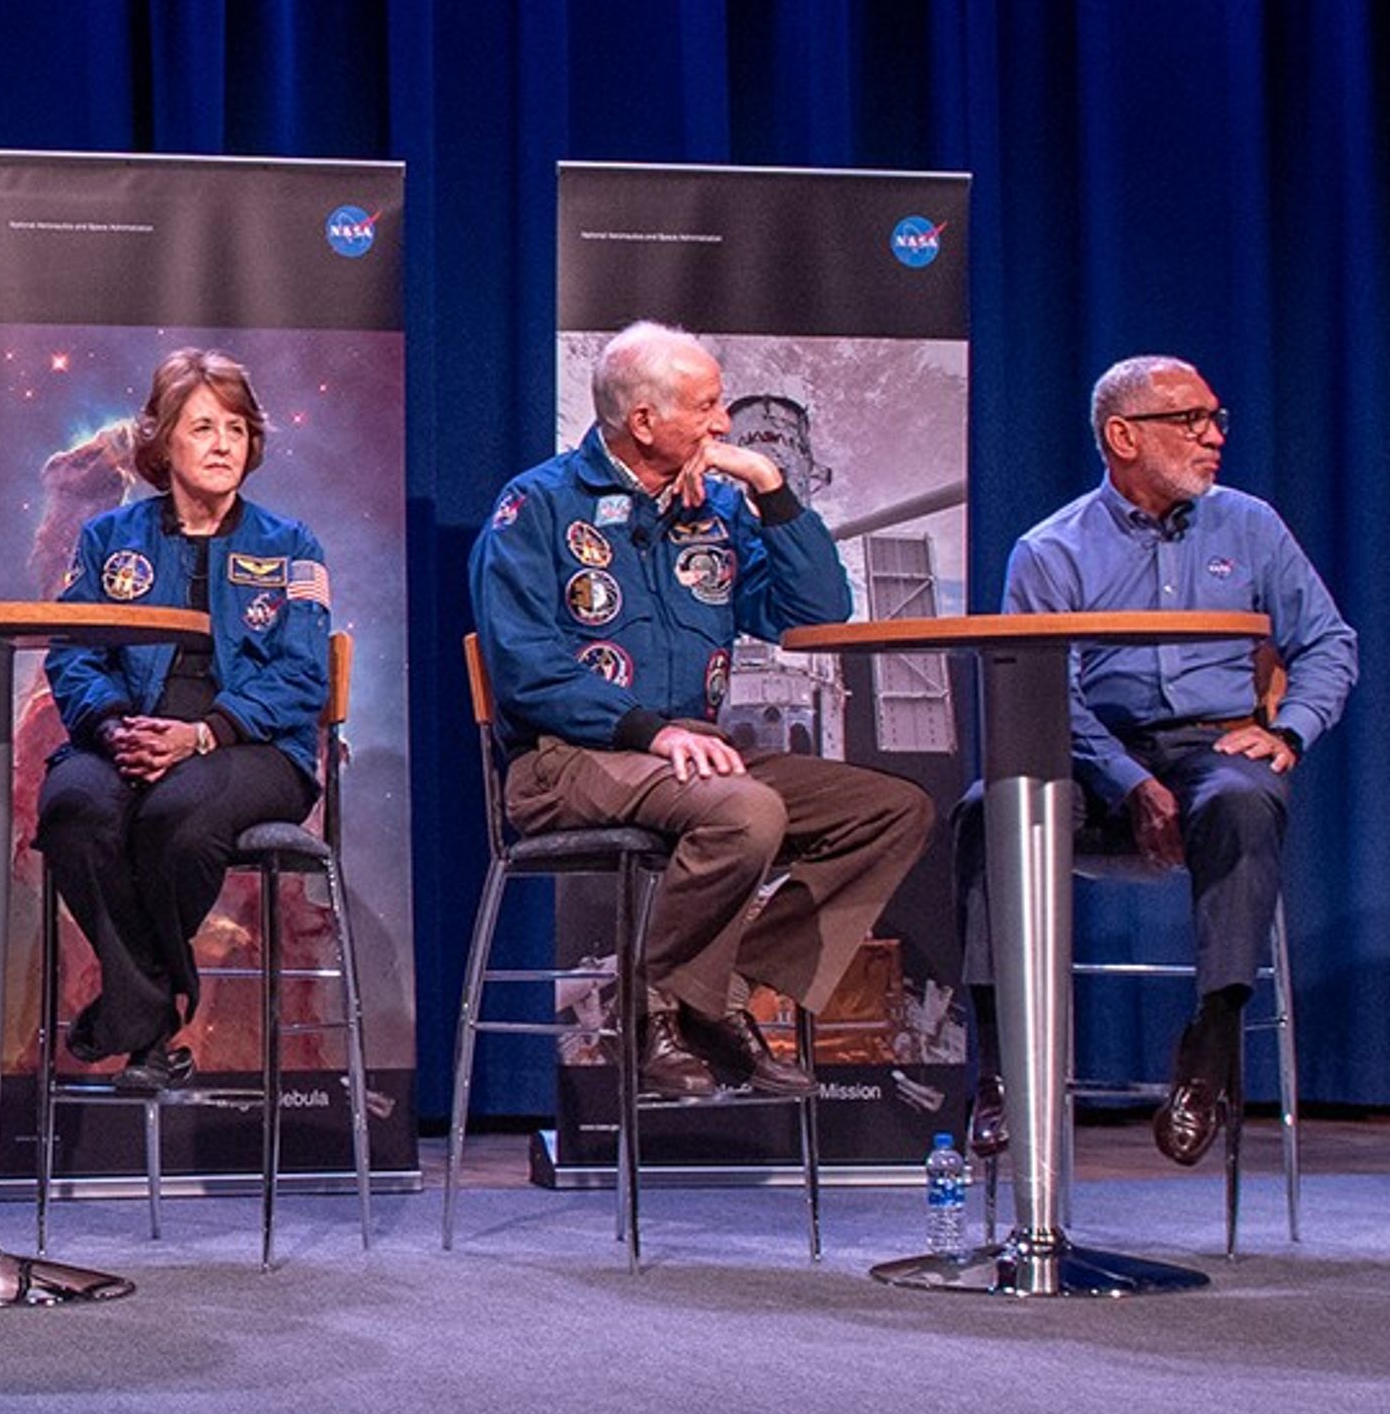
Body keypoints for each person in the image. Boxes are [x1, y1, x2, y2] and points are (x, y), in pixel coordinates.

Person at [470, 320, 933, 1100]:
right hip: (567, 759)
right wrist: (653, 733)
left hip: (696, 756)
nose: (723, 424)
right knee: (745, 814)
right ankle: (660, 1012)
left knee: (894, 811)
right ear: (644, 421)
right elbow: (525, 668)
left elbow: (814, 609)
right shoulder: (540, 506)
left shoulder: (715, 508)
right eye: (709, 406)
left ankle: (716, 996)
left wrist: (768, 486)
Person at [970, 352, 1355, 1163]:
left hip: (1213, 746)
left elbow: (1328, 642)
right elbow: (1047, 695)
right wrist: (1133, 780)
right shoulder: (1051, 551)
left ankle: (1210, 1051)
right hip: (1096, 755)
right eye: (1191, 421)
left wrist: (1290, 732)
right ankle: (1003, 1069)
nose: (1214, 437)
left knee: (1245, 797)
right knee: (984, 814)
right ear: (1122, 436)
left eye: (1217, 420)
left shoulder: (1250, 526)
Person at [40, 348, 333, 1092]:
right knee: (74, 808)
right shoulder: (109, 540)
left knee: (177, 817)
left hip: (252, 748)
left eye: (236, 429)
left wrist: (202, 734)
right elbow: (72, 653)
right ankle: (153, 1021)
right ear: (163, 440)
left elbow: (305, 673)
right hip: (125, 735)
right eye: (203, 428)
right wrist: (110, 726)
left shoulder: (292, 544)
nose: (223, 445)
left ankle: (131, 1010)